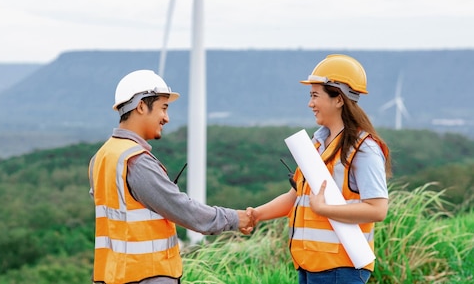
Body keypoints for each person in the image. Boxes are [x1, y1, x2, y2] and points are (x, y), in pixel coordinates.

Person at [88, 69, 254, 284]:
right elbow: (184, 210)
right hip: (147, 275)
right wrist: (235, 218)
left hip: (113, 275)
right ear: (140, 106)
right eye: (163, 108)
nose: (166, 118)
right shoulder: (136, 162)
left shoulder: (101, 157)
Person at [248, 54, 391, 284]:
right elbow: (296, 198)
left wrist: (325, 210)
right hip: (310, 267)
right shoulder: (316, 146)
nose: (310, 103)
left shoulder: (364, 149)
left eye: (315, 95)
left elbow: (377, 210)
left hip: (341, 269)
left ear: (339, 99)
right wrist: (255, 215)